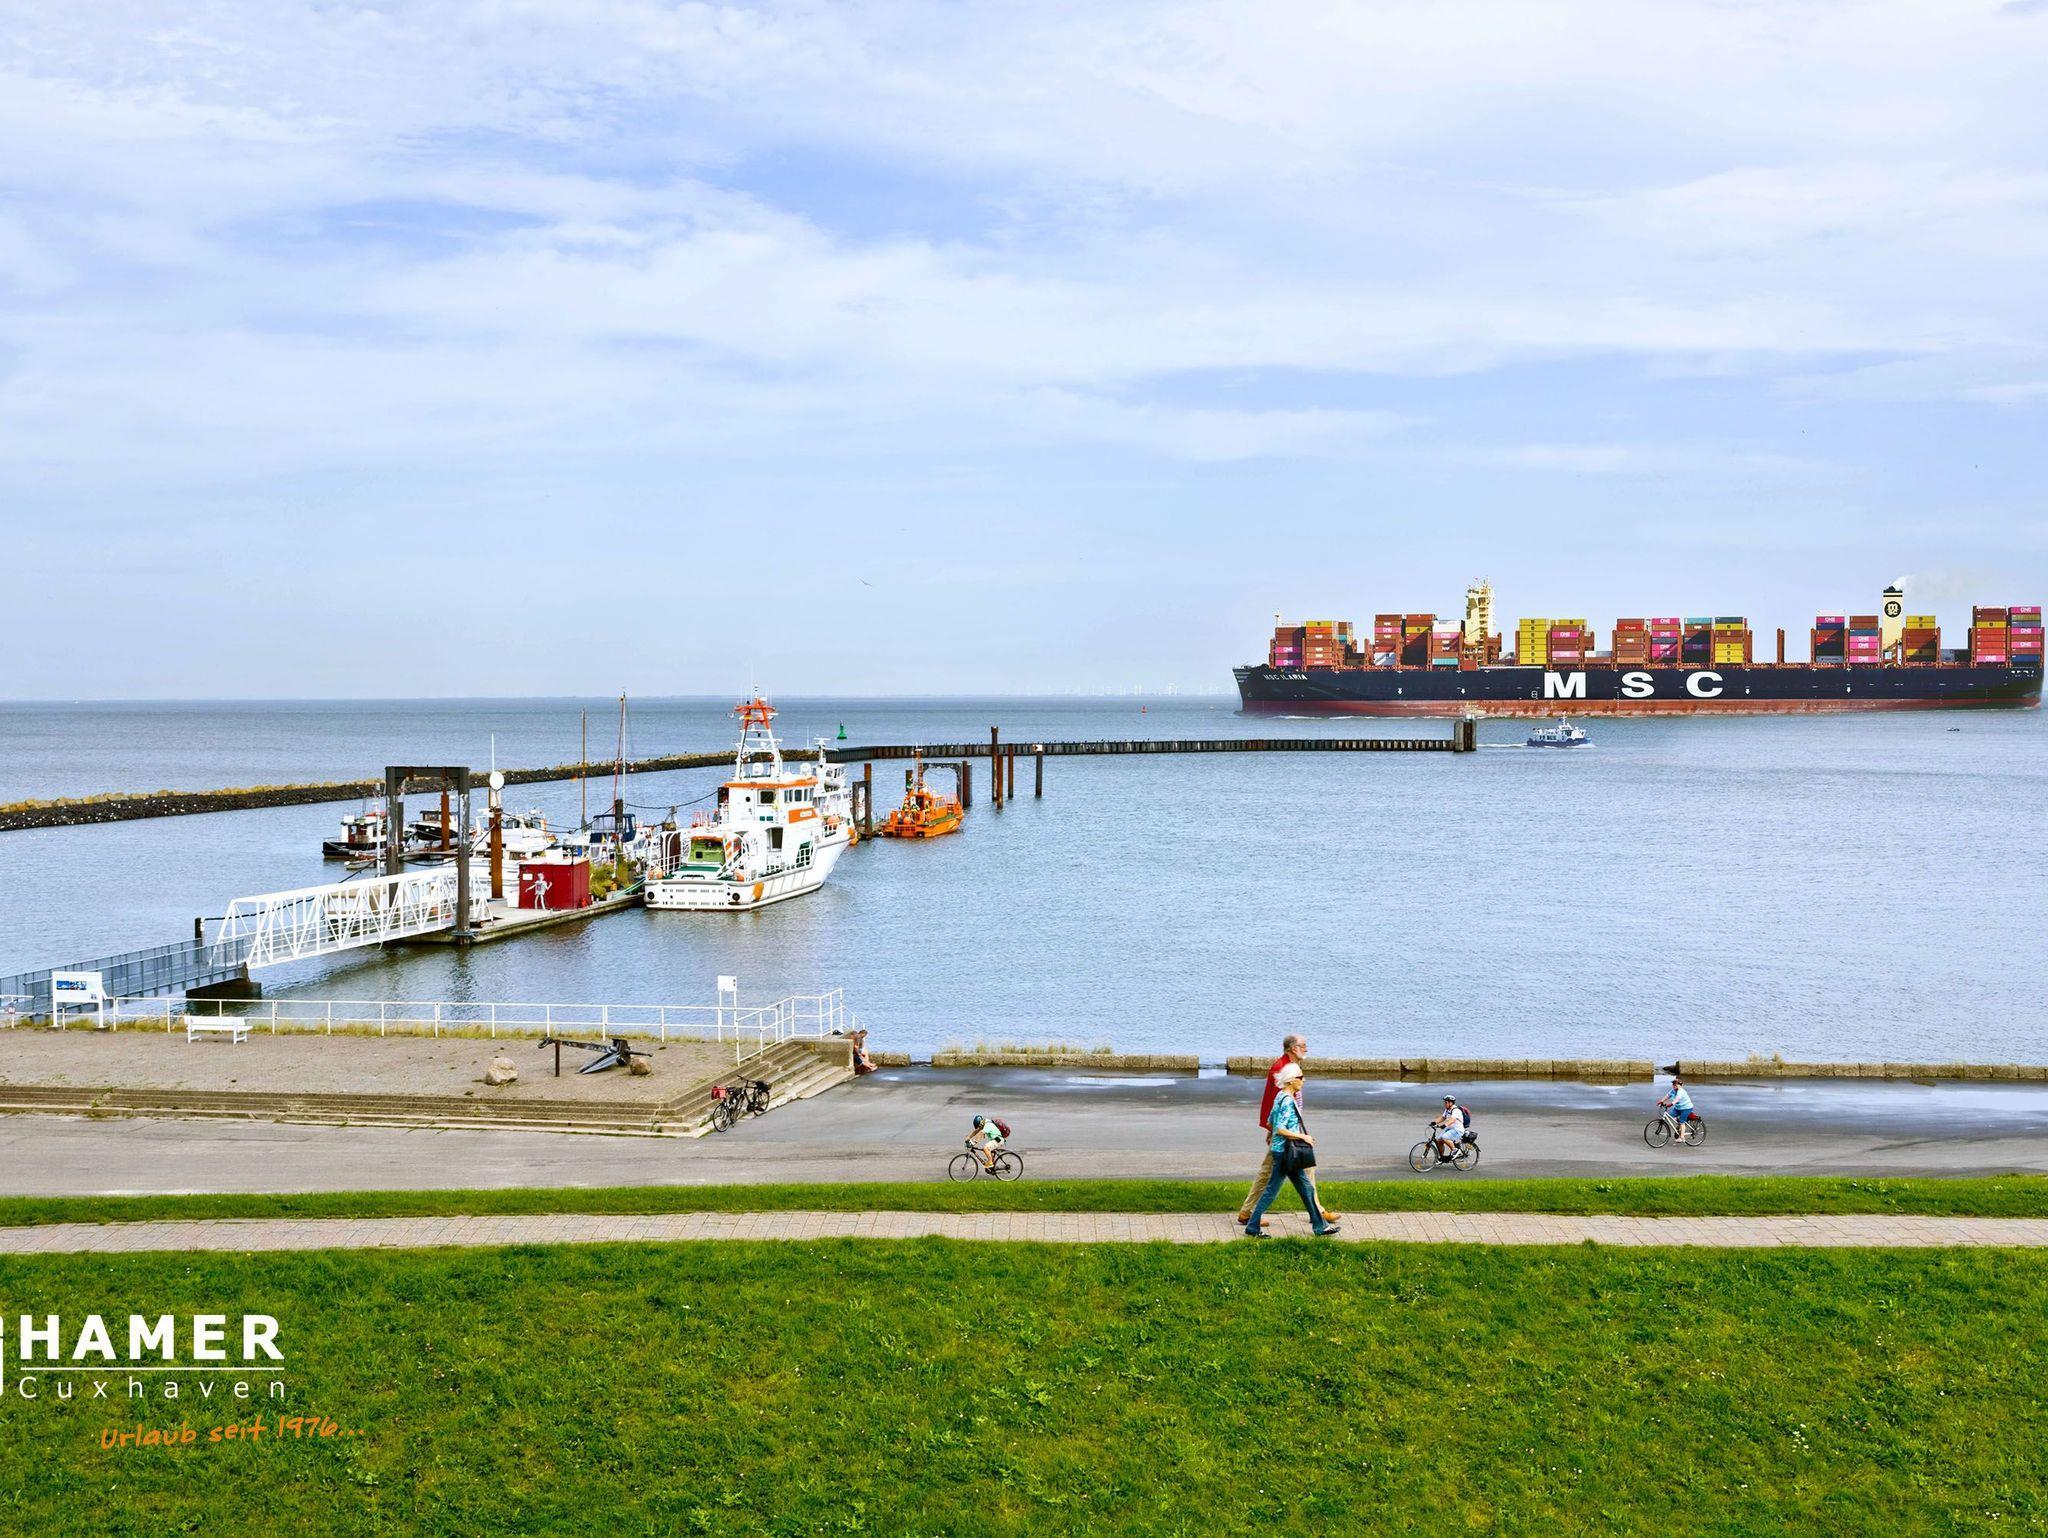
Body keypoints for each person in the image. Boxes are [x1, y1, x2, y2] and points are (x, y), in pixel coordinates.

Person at [1238, 1034, 1341, 1227]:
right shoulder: (1281, 1069)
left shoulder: (1291, 1067)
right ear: (1294, 1048)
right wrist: (1272, 1130)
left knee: (1299, 1169)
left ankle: (1316, 1213)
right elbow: (1273, 1101)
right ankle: (1250, 1214)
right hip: (1285, 1133)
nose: (1306, 1049)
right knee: (1275, 1173)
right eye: (1304, 1045)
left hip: (1290, 1127)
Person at [1432, 1095, 1466, 1160]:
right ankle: (1442, 1158)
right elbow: (1443, 1117)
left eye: (1446, 1102)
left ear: (1451, 1103)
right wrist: (1434, 1122)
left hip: (1457, 1130)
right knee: (1439, 1141)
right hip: (1450, 1129)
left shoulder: (1456, 1110)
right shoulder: (1447, 1110)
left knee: (1445, 1137)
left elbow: (1452, 1119)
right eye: (1444, 1102)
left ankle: (1455, 1151)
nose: (1445, 1104)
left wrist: (1445, 1125)